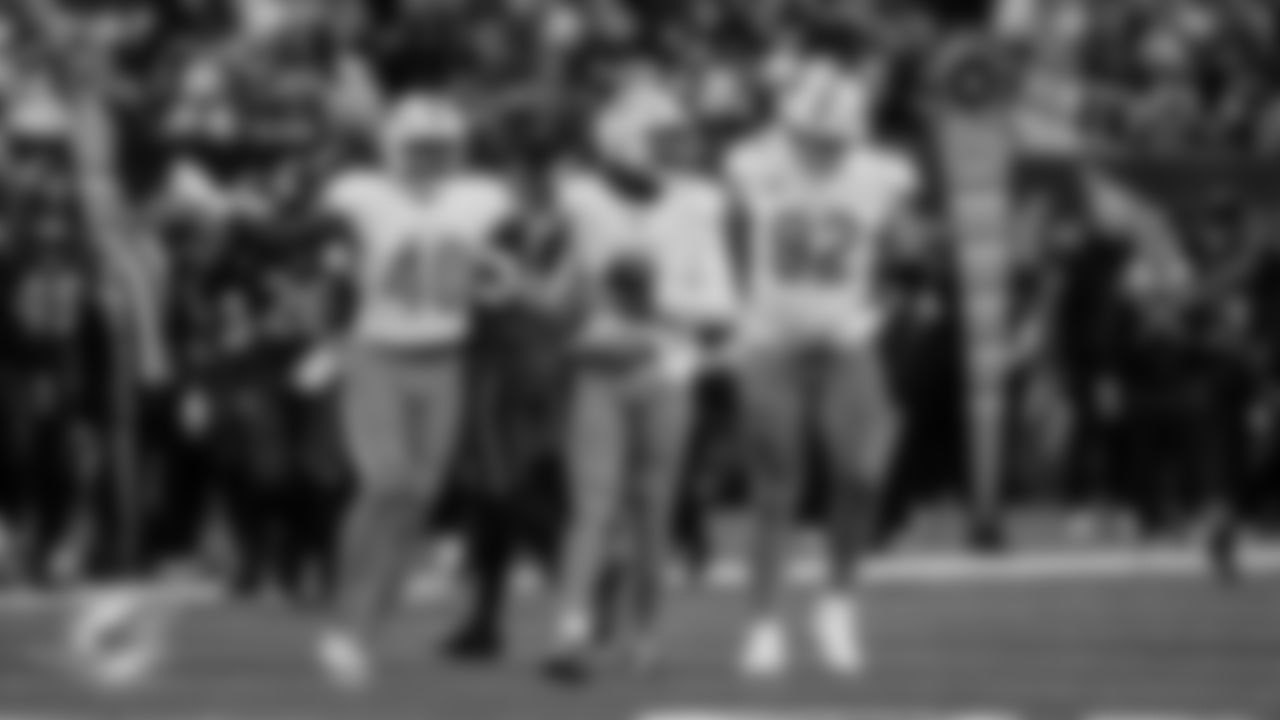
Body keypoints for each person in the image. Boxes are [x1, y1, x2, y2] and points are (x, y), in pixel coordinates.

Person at [309, 93, 515, 689]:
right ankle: (342, 616)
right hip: (378, 354)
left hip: (445, 360)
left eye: (440, 149)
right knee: (386, 482)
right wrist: (326, 331)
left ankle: (365, 633)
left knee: (420, 500)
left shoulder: (480, 199)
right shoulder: (360, 196)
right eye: (419, 149)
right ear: (393, 149)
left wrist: (501, 274)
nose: (429, 160)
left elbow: (513, 254)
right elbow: (319, 250)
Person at [725, 57, 919, 680]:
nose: (822, 150)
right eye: (812, 137)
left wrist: (885, 290)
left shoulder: (881, 175)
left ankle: (838, 599)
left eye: (833, 139)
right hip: (771, 339)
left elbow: (900, 246)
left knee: (862, 474)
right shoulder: (750, 164)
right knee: (775, 487)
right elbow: (726, 240)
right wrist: (738, 318)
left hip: (846, 339)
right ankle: (763, 622)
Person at [546, 79, 738, 680]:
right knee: (593, 506)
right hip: (599, 370)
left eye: (676, 137)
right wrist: (542, 303)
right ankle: (570, 629)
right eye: (661, 137)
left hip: (664, 371)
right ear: (624, 138)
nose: (674, 148)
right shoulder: (579, 202)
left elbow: (720, 305)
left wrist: (655, 303)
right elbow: (560, 290)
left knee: (653, 510)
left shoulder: (700, 203)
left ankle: (644, 629)